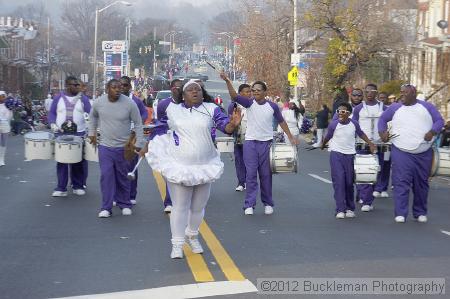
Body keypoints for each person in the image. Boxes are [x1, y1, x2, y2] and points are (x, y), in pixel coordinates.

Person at [141, 79, 242, 259]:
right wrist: (145, 146)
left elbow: (225, 127)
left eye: (198, 89)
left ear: (203, 93)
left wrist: (233, 124)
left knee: (198, 207)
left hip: (205, 165)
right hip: (180, 165)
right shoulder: (172, 110)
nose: (195, 92)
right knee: (179, 207)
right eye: (191, 90)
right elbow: (158, 130)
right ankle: (177, 244)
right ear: (183, 95)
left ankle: (192, 236)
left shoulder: (211, 109)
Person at [221, 72, 299, 215]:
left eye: (258, 90)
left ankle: (268, 203)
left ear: (264, 92)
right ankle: (249, 204)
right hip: (250, 143)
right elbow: (234, 96)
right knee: (250, 174)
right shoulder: (249, 103)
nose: (255, 92)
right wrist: (227, 81)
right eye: (253, 90)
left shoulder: (273, 106)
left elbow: (281, 122)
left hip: (266, 143)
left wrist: (291, 137)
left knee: (265, 175)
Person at [378, 84, 444, 223]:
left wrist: (432, 132)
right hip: (401, 151)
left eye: (405, 93)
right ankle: (400, 213)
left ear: (413, 94)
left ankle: (420, 212)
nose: (402, 96)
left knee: (421, 183)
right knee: (401, 181)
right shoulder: (395, 107)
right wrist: (382, 132)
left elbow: (439, 121)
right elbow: (382, 120)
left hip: (423, 152)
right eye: (401, 93)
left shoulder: (427, 107)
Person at [88, 79, 144, 218]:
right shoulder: (99, 102)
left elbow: (138, 123)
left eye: (119, 88)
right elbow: (93, 117)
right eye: (114, 87)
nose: (118, 90)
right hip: (105, 147)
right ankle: (106, 207)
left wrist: (139, 143)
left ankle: (124, 203)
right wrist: (91, 133)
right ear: (107, 88)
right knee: (106, 176)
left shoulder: (129, 103)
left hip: (124, 147)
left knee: (122, 176)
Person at [322, 102, 376, 219]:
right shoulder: (334, 124)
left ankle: (350, 208)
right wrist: (323, 144)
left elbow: (361, 134)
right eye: (338, 112)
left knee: (348, 182)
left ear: (349, 113)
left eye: (343, 112)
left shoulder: (354, 124)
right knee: (339, 181)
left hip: (350, 155)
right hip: (336, 154)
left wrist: (371, 144)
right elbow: (328, 136)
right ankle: (340, 209)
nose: (340, 114)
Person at [48, 76, 91, 197]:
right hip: (61, 134)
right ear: (67, 85)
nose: (78, 87)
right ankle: (61, 188)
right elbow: (52, 113)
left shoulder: (84, 99)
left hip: (78, 134)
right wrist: (52, 124)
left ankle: (77, 185)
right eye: (75, 85)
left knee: (78, 161)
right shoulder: (58, 98)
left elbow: (92, 113)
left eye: (79, 85)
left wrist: (90, 123)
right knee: (61, 161)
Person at [352, 83, 387, 211]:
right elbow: (354, 125)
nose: (370, 93)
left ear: (376, 93)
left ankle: (365, 195)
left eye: (373, 91)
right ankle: (366, 200)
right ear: (365, 93)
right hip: (362, 143)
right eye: (367, 91)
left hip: (379, 144)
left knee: (376, 171)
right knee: (362, 170)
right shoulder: (358, 108)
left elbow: (390, 123)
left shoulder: (384, 107)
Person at [154, 78, 183, 213]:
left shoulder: (188, 104)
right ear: (171, 89)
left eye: (180, 87)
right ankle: (169, 202)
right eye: (175, 88)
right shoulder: (163, 105)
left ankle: (183, 201)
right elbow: (160, 124)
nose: (178, 90)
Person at [120, 76, 148, 205]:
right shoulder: (113, 100)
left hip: (132, 137)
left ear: (130, 87)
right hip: (116, 138)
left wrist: (138, 123)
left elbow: (144, 114)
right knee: (117, 167)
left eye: (125, 85)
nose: (122, 87)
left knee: (131, 166)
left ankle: (131, 195)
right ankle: (118, 195)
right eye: (120, 85)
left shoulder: (136, 101)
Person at [227, 83, 251, 192]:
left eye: (250, 91)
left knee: (250, 161)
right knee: (239, 161)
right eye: (246, 91)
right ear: (240, 93)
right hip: (238, 137)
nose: (249, 93)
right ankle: (241, 182)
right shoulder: (234, 106)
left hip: (251, 138)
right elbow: (230, 122)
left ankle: (249, 181)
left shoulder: (253, 104)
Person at [0, 91, 13, 166]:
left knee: (4, 143)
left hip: (5, 124)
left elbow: (9, 117)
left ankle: (2, 159)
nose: (1, 98)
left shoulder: (7, 105)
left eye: (3, 96)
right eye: (0, 96)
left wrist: (11, 110)